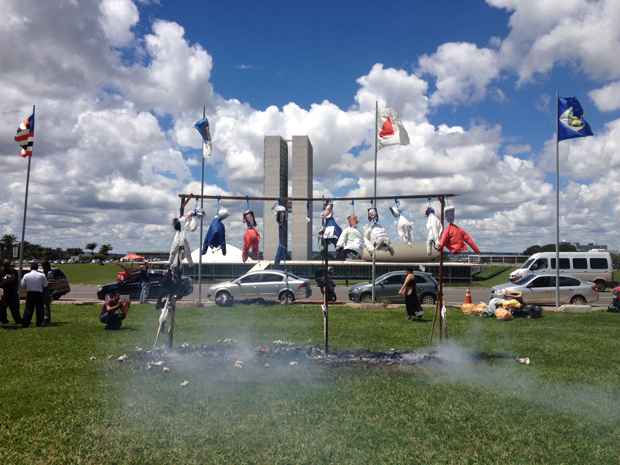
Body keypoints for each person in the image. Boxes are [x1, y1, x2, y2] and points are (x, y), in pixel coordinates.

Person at [20, 261, 47, 328]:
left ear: (30, 268)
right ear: (37, 268)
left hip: (30, 293)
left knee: (28, 309)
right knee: (40, 309)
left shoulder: (26, 275)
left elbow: (22, 285)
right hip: (39, 293)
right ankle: (39, 323)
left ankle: (26, 323)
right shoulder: (42, 275)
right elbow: (45, 285)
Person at [0, 259, 21, 325]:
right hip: (4, 292)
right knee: (2, 308)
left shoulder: (13, 271)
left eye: (8, 265)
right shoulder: (1, 272)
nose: (7, 266)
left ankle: (18, 320)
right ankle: (4, 320)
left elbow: (15, 281)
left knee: (14, 308)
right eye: (6, 265)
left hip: (12, 292)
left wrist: (5, 282)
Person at [41, 261, 53, 325]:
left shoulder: (49, 273)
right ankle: (46, 318)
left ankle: (46, 319)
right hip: (44, 290)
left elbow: (51, 283)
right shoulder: (44, 272)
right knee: (45, 306)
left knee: (46, 305)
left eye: (43, 265)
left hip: (47, 291)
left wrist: (44, 284)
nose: (42, 267)